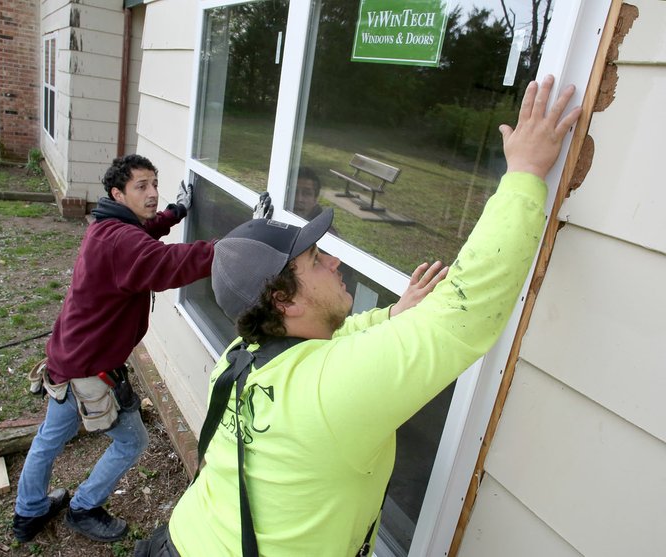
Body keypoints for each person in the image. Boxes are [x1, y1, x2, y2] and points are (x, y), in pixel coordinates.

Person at [133, 75, 581, 556]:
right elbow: (464, 308)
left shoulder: (241, 354)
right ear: (285, 302)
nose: (335, 261)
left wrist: (393, 318)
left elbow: (336, 345)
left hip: (182, 539)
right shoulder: (331, 392)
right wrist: (527, 174)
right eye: (315, 260)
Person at [12, 154, 215, 544]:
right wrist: (233, 248)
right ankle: (84, 507)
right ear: (117, 193)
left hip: (68, 356)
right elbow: (166, 263)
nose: (153, 193)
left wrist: (175, 212)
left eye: (155, 183)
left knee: (50, 438)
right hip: (85, 370)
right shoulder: (120, 239)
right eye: (142, 187)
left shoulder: (108, 224)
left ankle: (29, 512)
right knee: (132, 441)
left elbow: (144, 232)